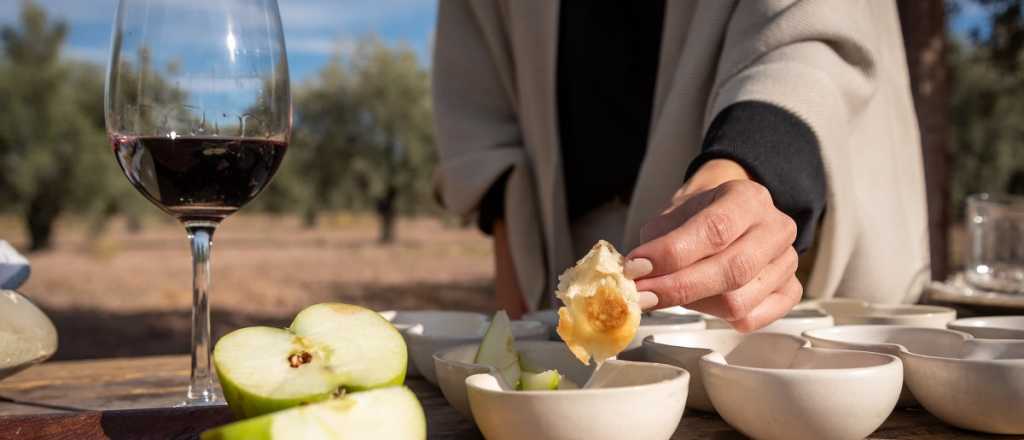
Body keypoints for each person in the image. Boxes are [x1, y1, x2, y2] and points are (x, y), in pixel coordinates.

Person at [431, 0, 930, 330]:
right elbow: (487, 130)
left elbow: (807, 37)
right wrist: (517, 339)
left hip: (776, 272)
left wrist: (745, 171)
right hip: (558, 261)